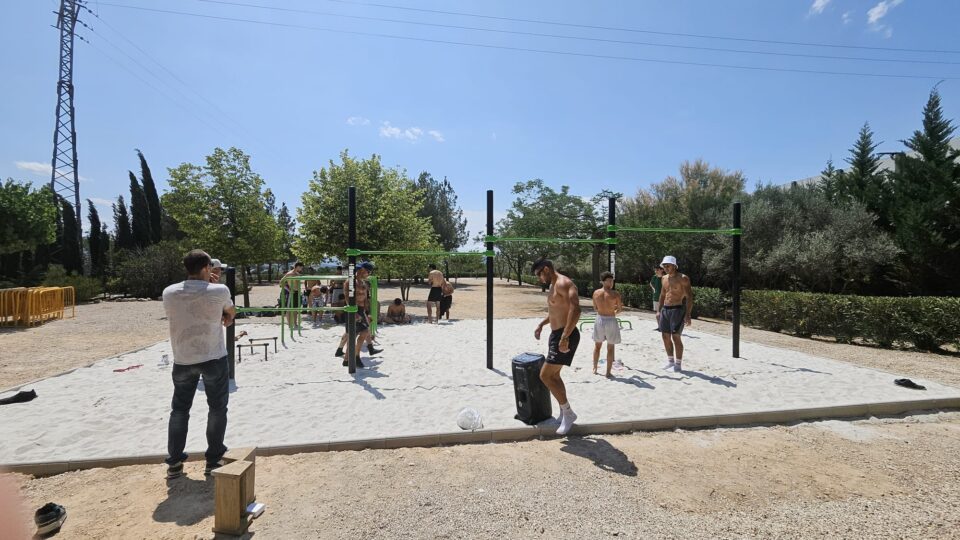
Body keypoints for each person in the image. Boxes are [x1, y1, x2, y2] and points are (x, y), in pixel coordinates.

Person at [162, 249, 235, 479]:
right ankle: (213, 459)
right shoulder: (219, 290)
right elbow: (229, 315)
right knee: (217, 408)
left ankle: (174, 462)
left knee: (180, 410)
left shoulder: (169, 292)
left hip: (183, 358)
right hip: (213, 356)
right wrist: (214, 289)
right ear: (206, 268)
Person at [532, 258, 581, 436]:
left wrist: (565, 336)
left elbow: (576, 310)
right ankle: (564, 411)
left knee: (545, 375)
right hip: (556, 335)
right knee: (554, 375)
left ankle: (568, 413)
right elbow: (556, 311)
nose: (539, 278)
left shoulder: (563, 283)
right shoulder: (553, 286)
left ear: (546, 269)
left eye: (539, 274)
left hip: (565, 335)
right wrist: (542, 324)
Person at [334, 261, 382, 366]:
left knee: (363, 332)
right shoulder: (350, 282)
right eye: (368, 271)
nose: (369, 274)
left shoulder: (363, 283)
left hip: (361, 310)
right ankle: (352, 358)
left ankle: (349, 358)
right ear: (362, 270)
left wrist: (366, 312)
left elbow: (365, 299)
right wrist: (354, 312)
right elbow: (347, 297)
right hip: (353, 310)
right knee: (353, 335)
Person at [657, 255, 694, 373]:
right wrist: (658, 310)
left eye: (668, 265)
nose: (665, 268)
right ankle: (670, 361)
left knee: (676, 337)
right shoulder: (664, 278)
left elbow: (689, 297)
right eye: (664, 266)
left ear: (674, 266)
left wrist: (688, 314)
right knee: (665, 336)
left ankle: (678, 364)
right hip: (665, 309)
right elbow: (662, 295)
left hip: (678, 309)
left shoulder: (683, 278)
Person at [591, 271, 623, 377]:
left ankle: (595, 368)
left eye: (612, 281)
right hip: (610, 319)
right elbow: (619, 309)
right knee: (609, 347)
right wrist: (612, 311)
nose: (611, 283)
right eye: (609, 281)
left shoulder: (596, 293)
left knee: (598, 346)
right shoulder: (615, 294)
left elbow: (595, 308)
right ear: (603, 282)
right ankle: (607, 372)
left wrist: (603, 310)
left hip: (600, 319)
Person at [280, 262, 304, 329]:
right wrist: (289, 290)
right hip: (291, 293)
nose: (301, 269)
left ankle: (295, 324)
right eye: (301, 267)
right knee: (289, 309)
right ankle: (289, 324)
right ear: (297, 266)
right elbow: (281, 283)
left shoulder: (297, 274)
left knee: (295, 309)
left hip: (297, 292)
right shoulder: (289, 274)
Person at [649, 266, 664, 330]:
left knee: (663, 313)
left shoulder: (665, 278)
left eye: (657, 270)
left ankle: (664, 327)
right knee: (657, 313)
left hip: (664, 299)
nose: (656, 271)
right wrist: (653, 289)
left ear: (662, 270)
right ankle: (659, 327)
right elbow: (651, 283)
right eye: (655, 270)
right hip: (656, 297)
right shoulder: (654, 277)